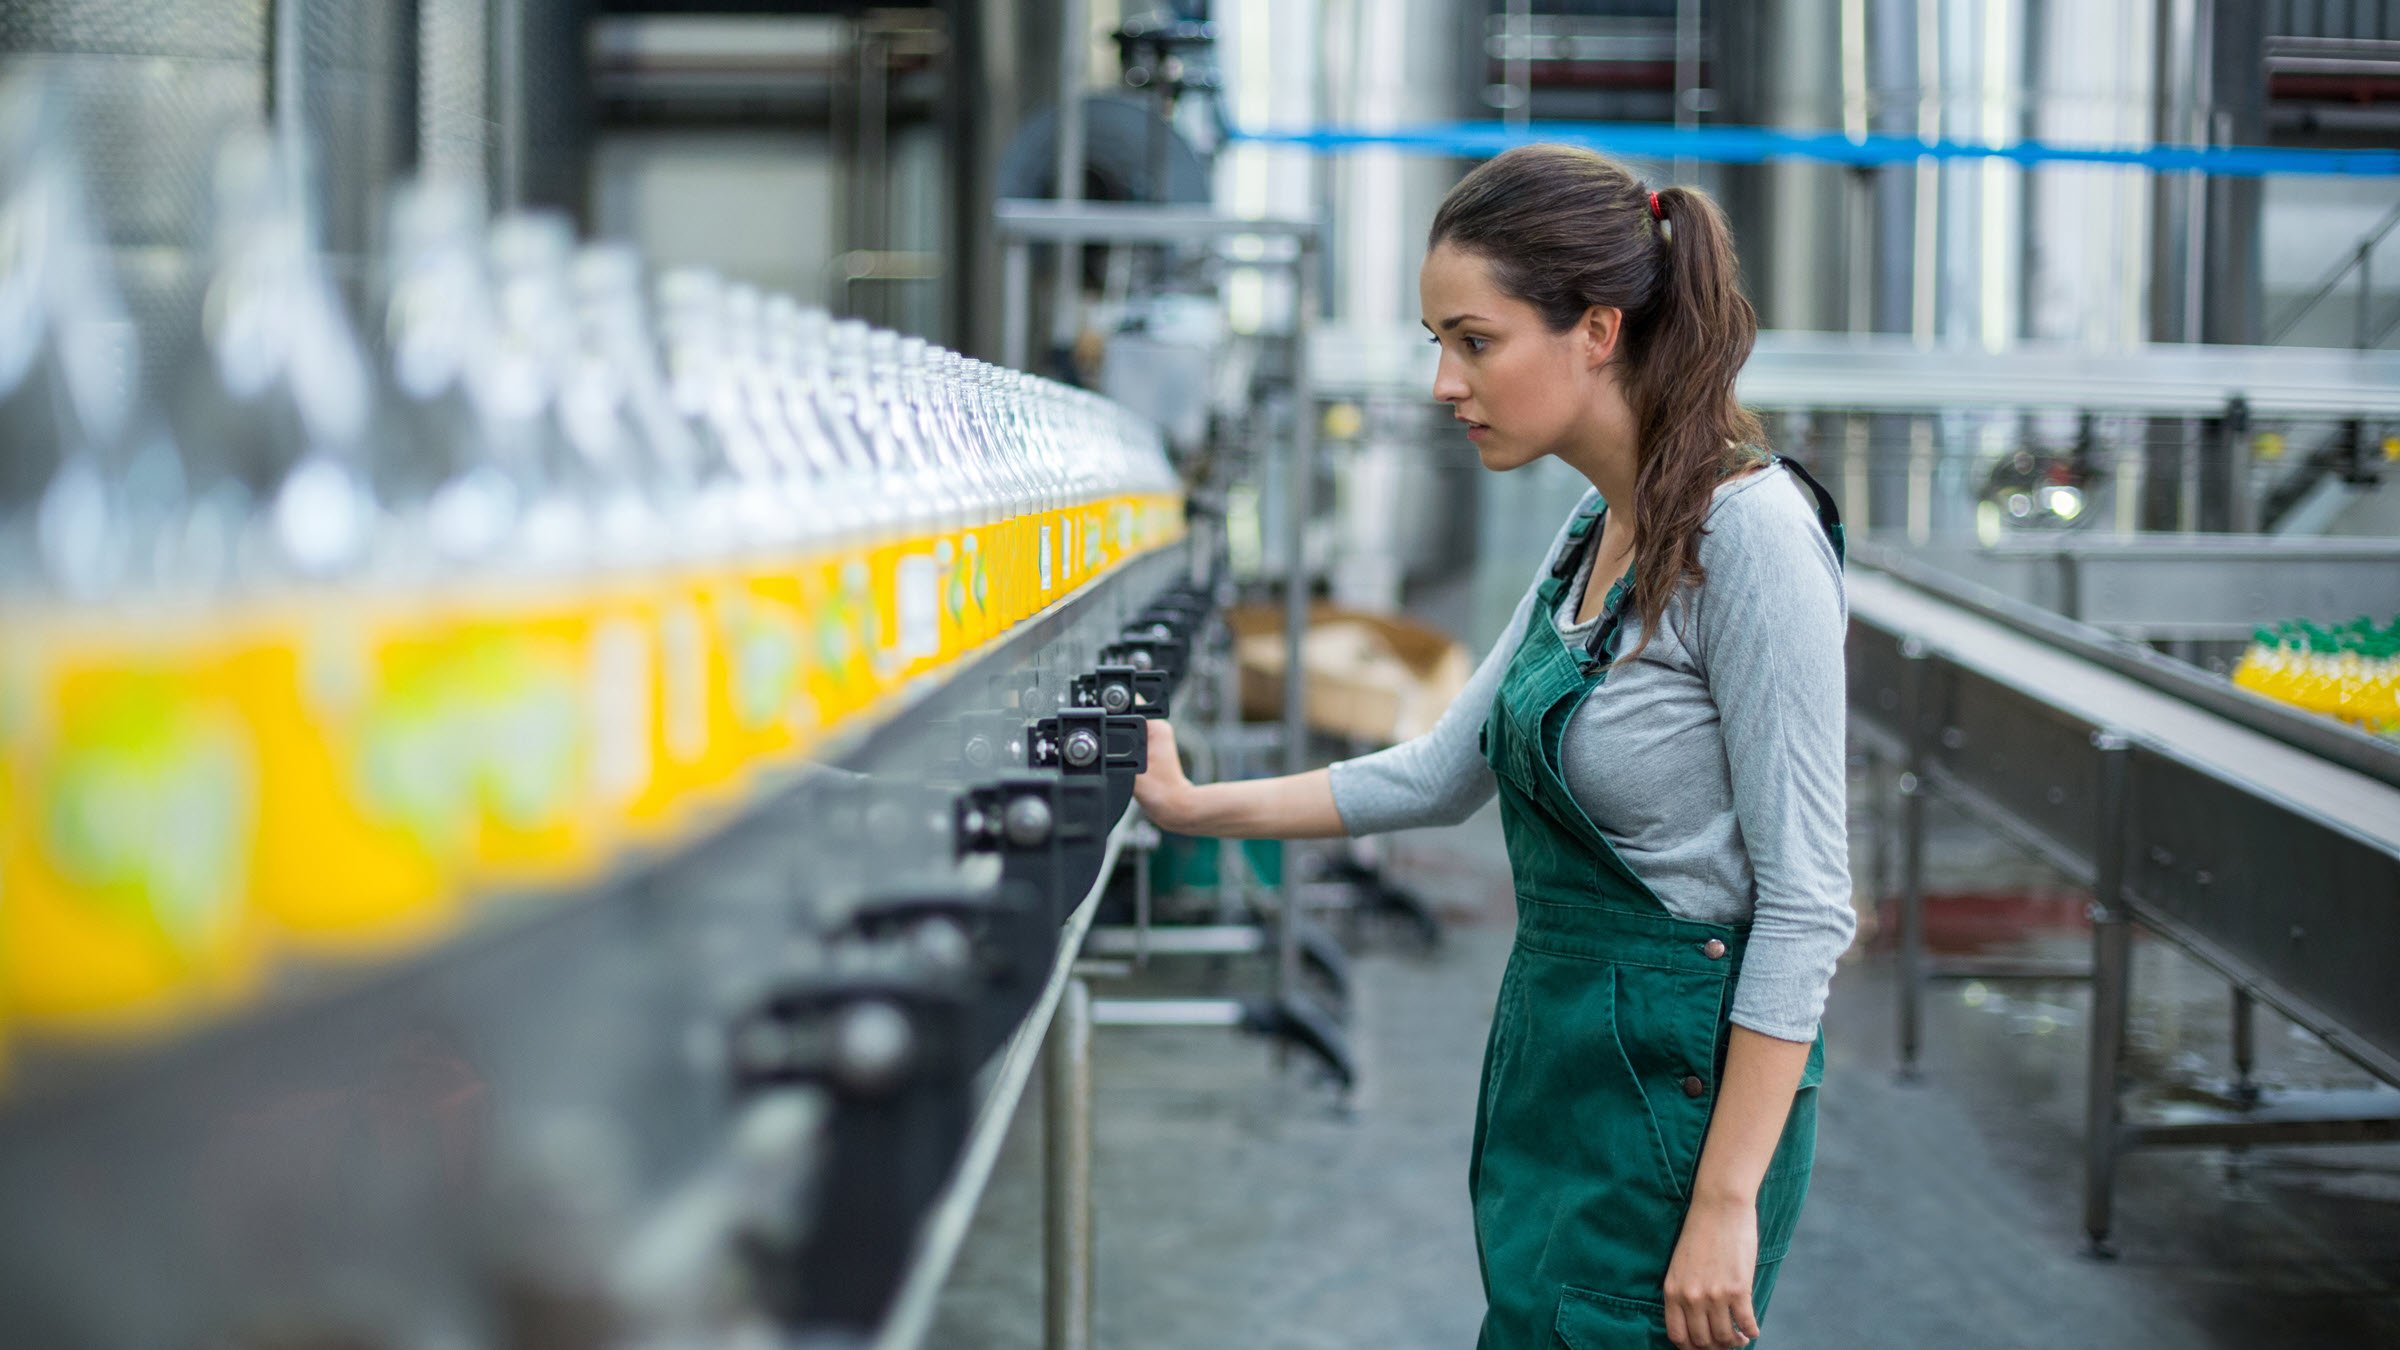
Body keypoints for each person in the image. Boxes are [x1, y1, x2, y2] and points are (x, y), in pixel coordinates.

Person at [1132, 144, 1854, 1350]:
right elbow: (1438, 772)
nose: (1441, 383)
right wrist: (1194, 807)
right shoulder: (1592, 529)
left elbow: (1810, 903)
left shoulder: (1754, 536)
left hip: (1674, 1106)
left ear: (1597, 331)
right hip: (1559, 1072)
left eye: (1473, 340)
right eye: (1436, 342)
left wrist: (1724, 1206)